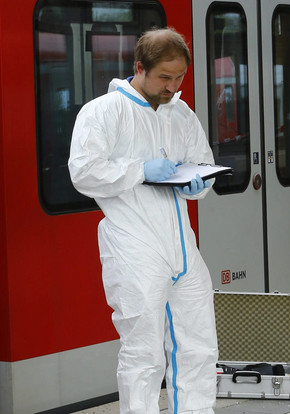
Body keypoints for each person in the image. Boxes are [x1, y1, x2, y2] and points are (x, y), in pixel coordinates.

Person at [68, 27, 218, 413]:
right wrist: (141, 170)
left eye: (179, 77)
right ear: (139, 67)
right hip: (134, 247)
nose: (172, 86)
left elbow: (201, 164)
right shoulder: (103, 112)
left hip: (183, 247)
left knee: (199, 347)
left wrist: (195, 185)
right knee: (144, 354)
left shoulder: (180, 113)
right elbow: (83, 172)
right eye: (164, 77)